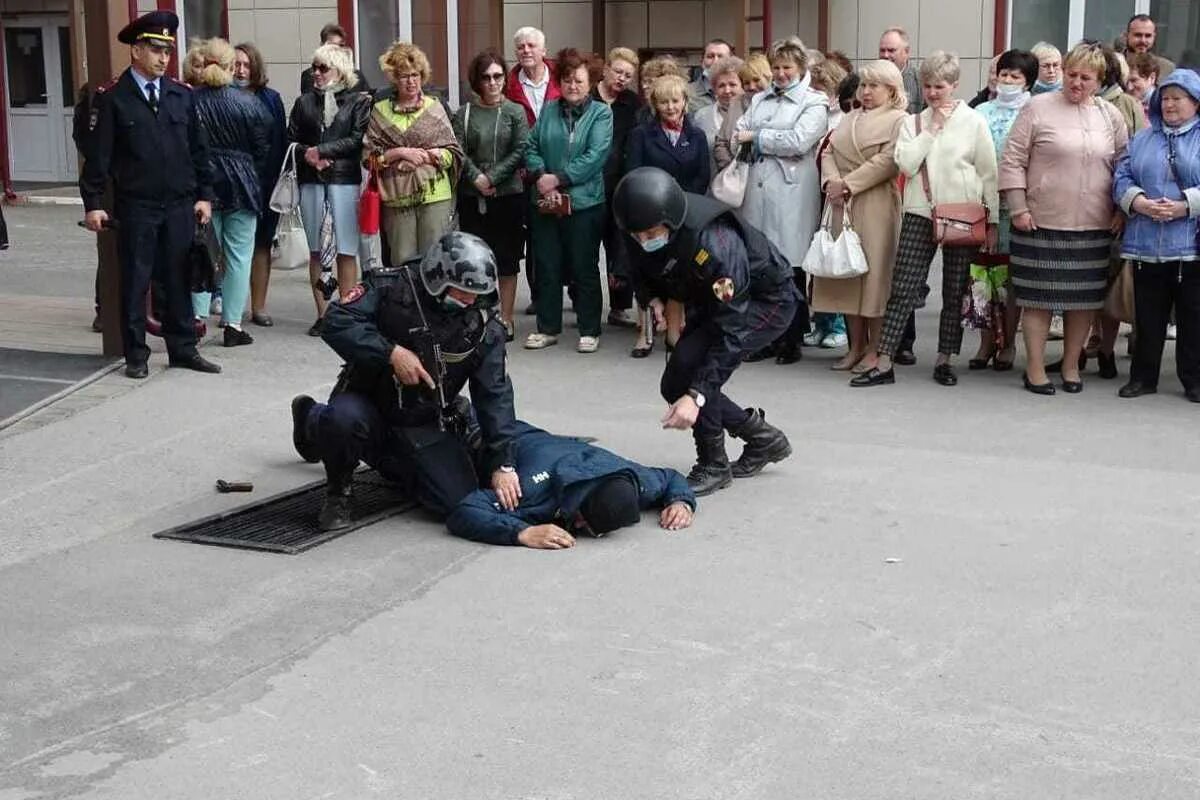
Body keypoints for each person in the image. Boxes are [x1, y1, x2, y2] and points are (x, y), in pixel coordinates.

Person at [290, 231, 519, 530]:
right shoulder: (393, 286)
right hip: (368, 400)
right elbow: (336, 321)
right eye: (462, 292)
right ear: (440, 278)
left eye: (475, 294)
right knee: (343, 420)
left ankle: (387, 457)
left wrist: (504, 463)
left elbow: (495, 394)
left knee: (455, 501)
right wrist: (391, 353)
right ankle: (328, 462)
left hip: (422, 416)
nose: (470, 299)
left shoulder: (482, 323)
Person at [613, 167, 798, 495]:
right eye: (636, 235)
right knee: (675, 383)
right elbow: (639, 266)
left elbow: (732, 331)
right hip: (710, 300)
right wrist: (653, 298)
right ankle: (762, 438)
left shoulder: (715, 242)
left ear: (669, 219)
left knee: (696, 377)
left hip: (763, 301)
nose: (644, 241)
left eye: (651, 233)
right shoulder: (640, 226)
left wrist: (696, 397)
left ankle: (713, 465)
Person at [79, 11, 219, 379]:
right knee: (136, 280)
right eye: (156, 50)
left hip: (178, 204)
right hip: (137, 205)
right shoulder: (113, 98)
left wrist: (204, 196)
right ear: (136, 51)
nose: (163, 59)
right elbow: (99, 159)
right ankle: (136, 355)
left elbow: (198, 150)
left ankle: (183, 348)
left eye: (168, 52)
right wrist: (93, 204)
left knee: (177, 279)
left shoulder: (181, 95)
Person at [851, 51, 999, 389]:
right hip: (920, 211)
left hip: (964, 213)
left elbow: (989, 172)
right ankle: (884, 360)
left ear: (955, 85)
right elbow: (905, 164)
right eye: (928, 86)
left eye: (940, 86)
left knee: (954, 288)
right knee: (903, 287)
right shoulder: (912, 122)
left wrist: (991, 221)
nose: (933, 93)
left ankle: (945, 359)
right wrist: (930, 130)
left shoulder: (973, 121)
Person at [999, 42, 1129, 396]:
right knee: (1037, 298)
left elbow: (1123, 168)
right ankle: (1036, 368)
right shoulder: (1037, 107)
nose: (1076, 83)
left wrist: (1120, 210)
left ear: (1099, 80)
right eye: (1071, 75)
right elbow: (1012, 161)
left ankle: (1071, 365)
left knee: (1083, 301)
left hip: (1093, 224)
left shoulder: (1109, 116)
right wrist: (1019, 207)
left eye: (1085, 78)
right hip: (1039, 221)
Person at [446, 421, 696, 548]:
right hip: (476, 435)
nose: (577, 527)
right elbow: (465, 511)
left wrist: (681, 502)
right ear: (580, 507)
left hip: (538, 440)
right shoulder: (530, 490)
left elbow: (670, 478)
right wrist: (522, 532)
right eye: (584, 524)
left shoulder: (634, 479)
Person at [732, 36, 826, 365]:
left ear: (800, 69)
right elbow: (737, 130)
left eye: (787, 67)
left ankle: (793, 336)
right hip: (758, 191)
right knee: (761, 266)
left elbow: (799, 141)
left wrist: (759, 138)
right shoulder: (760, 98)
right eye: (776, 67)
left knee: (791, 268)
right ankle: (767, 335)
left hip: (792, 194)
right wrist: (754, 137)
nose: (781, 73)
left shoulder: (814, 102)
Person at [811, 59, 907, 373]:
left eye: (873, 86)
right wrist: (831, 183)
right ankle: (855, 347)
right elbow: (827, 152)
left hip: (876, 202)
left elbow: (889, 160)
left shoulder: (899, 120)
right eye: (864, 85)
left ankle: (876, 349)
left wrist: (848, 184)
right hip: (842, 202)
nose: (866, 92)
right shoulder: (849, 118)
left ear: (891, 90)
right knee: (849, 276)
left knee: (875, 277)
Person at [1112, 69, 1200, 403]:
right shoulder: (1143, 139)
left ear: (1195, 102)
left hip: (1192, 244)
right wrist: (1140, 202)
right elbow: (1121, 177)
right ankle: (1143, 377)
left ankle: (1193, 379)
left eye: (1178, 98)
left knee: (1193, 317)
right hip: (1147, 242)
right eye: (1165, 98)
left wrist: (1185, 206)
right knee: (1148, 316)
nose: (1170, 105)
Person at [522, 48, 612, 354]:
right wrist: (541, 177)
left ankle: (589, 328)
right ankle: (547, 327)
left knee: (583, 266)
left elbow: (595, 156)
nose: (572, 86)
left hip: (585, 203)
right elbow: (530, 145)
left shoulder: (601, 113)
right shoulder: (548, 110)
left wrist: (558, 178)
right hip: (547, 201)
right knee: (546, 264)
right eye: (567, 80)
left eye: (579, 80)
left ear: (590, 82)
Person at [184, 38, 269, 347]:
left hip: (202, 185)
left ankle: (197, 318)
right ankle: (232, 324)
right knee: (239, 257)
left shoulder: (190, 100)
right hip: (242, 185)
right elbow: (263, 147)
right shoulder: (249, 102)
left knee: (202, 252)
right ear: (232, 66)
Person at [963, 48, 1039, 373]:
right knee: (982, 277)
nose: (1007, 80)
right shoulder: (980, 111)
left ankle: (1007, 342)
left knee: (1011, 280)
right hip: (983, 204)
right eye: (1004, 74)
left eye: (1015, 76)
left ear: (1027, 82)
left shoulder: (1036, 111)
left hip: (1019, 206)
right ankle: (984, 342)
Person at [288, 43, 371, 336]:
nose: (317, 73)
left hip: (344, 181)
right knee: (316, 249)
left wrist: (321, 151)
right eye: (314, 67)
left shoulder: (358, 102)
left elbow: (357, 139)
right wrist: (308, 154)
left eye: (323, 68)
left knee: (346, 250)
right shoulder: (304, 103)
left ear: (340, 71)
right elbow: (291, 140)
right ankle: (323, 315)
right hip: (312, 183)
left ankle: (346, 312)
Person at [452, 49, 529, 342]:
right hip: (473, 196)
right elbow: (457, 149)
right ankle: (479, 315)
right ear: (477, 80)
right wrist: (477, 178)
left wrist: (494, 177)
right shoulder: (466, 112)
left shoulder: (515, 111)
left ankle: (506, 318)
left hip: (508, 193)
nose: (493, 82)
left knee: (507, 259)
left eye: (498, 76)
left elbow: (521, 149)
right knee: (475, 259)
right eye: (487, 77)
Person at [365, 42, 463, 270]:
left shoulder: (435, 107)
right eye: (404, 76)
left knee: (434, 261)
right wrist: (399, 153)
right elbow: (369, 159)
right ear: (394, 80)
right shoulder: (380, 111)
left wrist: (428, 156)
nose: (411, 81)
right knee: (402, 263)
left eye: (415, 75)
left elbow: (452, 154)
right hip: (396, 198)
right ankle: (405, 306)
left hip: (435, 195)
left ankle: (432, 306)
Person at [504, 26, 560, 313]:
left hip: (560, 170)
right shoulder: (508, 86)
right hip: (524, 173)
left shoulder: (561, 80)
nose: (526, 51)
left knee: (566, 233)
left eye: (531, 46)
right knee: (536, 238)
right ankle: (540, 297)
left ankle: (572, 292)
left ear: (543, 50)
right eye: (521, 47)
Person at [233, 42, 286, 328]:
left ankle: (259, 307)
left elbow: (280, 141)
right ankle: (232, 308)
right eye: (236, 64)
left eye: (245, 64)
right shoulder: (221, 96)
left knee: (261, 245)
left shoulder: (271, 99)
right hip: (231, 185)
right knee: (233, 248)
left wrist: (277, 182)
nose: (241, 70)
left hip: (265, 182)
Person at [592, 47, 643, 330]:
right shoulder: (588, 97)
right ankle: (585, 303)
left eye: (628, 75)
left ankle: (620, 306)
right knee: (586, 246)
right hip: (590, 183)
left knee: (620, 246)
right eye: (618, 72)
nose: (622, 79)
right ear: (606, 69)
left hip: (621, 185)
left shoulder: (632, 103)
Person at [713, 54, 771, 171]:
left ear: (768, 78)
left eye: (756, 80)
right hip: (737, 176)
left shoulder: (779, 104)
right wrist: (731, 167)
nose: (751, 87)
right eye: (746, 82)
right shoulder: (736, 103)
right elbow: (721, 142)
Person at [693, 55, 743, 180]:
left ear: (742, 86)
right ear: (714, 89)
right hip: (712, 189)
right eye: (721, 86)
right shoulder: (701, 116)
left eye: (732, 84)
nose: (727, 90)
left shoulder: (752, 115)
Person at [299, 24, 369, 95]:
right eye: (332, 46)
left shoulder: (356, 75)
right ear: (322, 46)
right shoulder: (309, 75)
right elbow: (308, 103)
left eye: (341, 46)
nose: (337, 50)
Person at [878, 27, 924, 114]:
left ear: (906, 52)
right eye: (882, 50)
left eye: (891, 50)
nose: (886, 55)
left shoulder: (920, 80)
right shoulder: (869, 79)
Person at [687, 38, 734, 112]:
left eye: (721, 56)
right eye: (710, 56)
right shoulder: (687, 93)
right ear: (702, 62)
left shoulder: (741, 94)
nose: (715, 61)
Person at [1126, 14, 1176, 80]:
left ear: (1154, 37)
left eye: (1148, 36)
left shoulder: (1167, 69)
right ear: (1127, 35)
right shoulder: (1114, 64)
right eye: (1138, 35)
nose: (1143, 40)